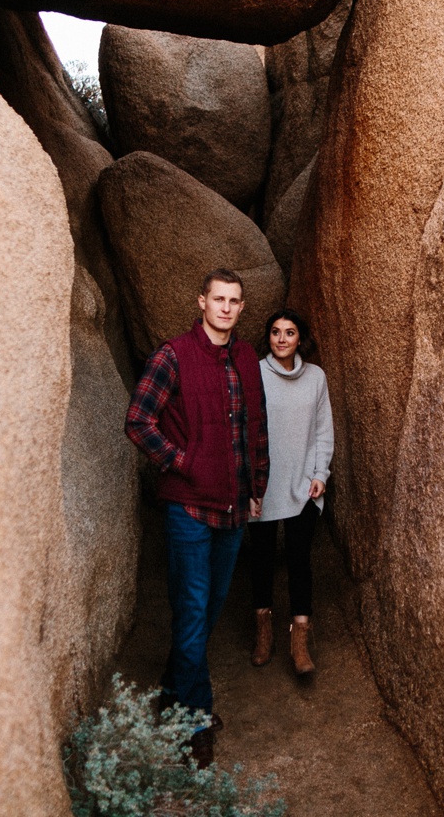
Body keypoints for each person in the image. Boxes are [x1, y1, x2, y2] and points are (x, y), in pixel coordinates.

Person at [124, 268, 269, 767]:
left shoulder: (247, 357)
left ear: (241, 308)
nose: (226, 308)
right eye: (218, 299)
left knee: (208, 610)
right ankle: (196, 719)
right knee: (191, 612)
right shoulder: (173, 355)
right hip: (189, 508)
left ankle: (172, 691)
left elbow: (257, 428)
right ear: (201, 302)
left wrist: (258, 487)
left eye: (234, 301)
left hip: (233, 508)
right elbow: (138, 420)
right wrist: (182, 462)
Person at [247, 308, 333, 676]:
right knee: (261, 561)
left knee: (299, 560)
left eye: (290, 332)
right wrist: (249, 482)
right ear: (268, 337)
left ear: (301, 339)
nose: (282, 339)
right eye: (276, 332)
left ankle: (300, 642)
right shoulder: (254, 373)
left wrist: (321, 473)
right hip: (262, 487)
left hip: (303, 484)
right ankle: (263, 632)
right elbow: (245, 430)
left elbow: (322, 430)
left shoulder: (316, 377)